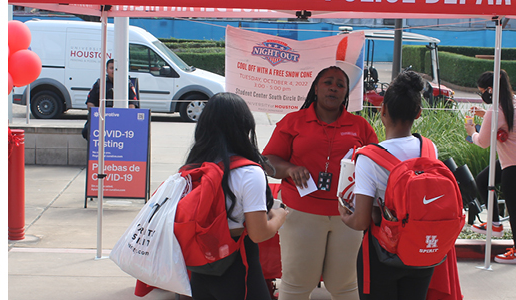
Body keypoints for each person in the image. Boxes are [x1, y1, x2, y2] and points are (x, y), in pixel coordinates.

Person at [262, 65, 378, 300]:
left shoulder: (360, 126)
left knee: (345, 285)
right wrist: (290, 169)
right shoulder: (294, 121)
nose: (333, 88)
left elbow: (375, 164)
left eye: (340, 85)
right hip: (300, 212)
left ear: (346, 93)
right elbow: (267, 161)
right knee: (296, 284)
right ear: (316, 88)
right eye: (328, 82)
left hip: (348, 216)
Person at [338, 71, 439, 299]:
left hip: (383, 252)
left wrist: (344, 215)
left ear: (382, 110)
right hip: (422, 250)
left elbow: (361, 220)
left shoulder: (369, 157)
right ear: (419, 113)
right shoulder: (430, 149)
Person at [185, 92, 287, 300]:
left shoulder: (191, 168)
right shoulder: (249, 172)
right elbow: (258, 233)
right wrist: (279, 216)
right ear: (245, 127)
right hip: (238, 265)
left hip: (198, 266)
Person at [466, 70, 516, 263]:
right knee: (483, 179)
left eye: (482, 93)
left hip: (512, 166)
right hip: (508, 161)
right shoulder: (510, 103)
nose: (482, 96)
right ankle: (494, 223)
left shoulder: (496, 111)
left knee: (513, 209)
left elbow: (483, 142)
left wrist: (472, 132)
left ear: (490, 89)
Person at [81, 59, 140, 139]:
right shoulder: (100, 83)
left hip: (121, 119)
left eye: (116, 68)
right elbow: (90, 103)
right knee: (86, 131)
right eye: (111, 68)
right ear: (106, 70)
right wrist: (97, 115)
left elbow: (132, 105)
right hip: (102, 118)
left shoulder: (127, 85)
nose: (114, 71)